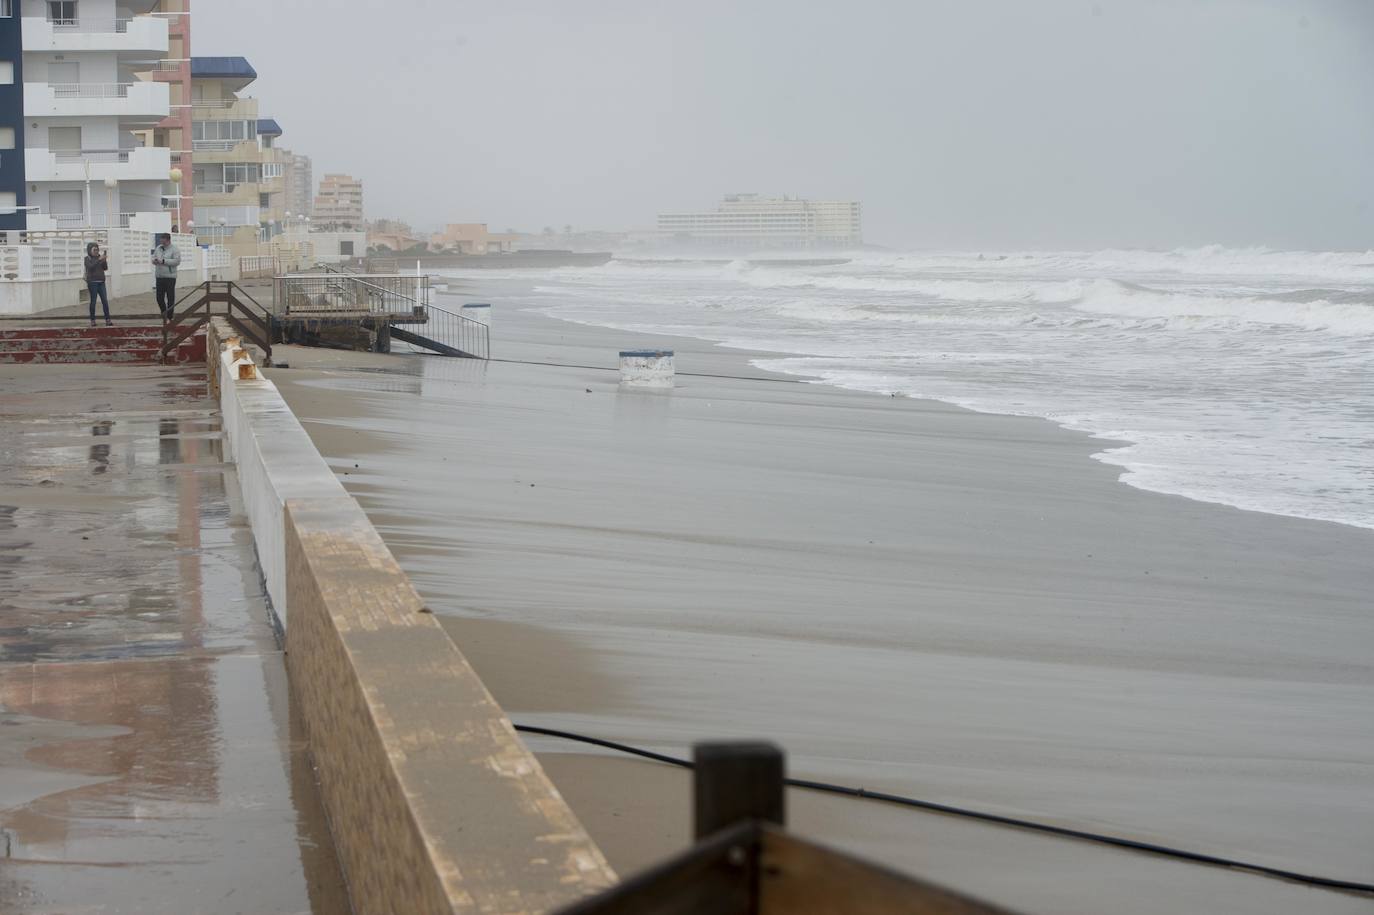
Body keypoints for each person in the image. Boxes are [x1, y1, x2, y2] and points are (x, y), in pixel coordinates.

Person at [152, 232, 181, 319]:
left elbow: (177, 261)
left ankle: (170, 316)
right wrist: (154, 261)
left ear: (168, 240)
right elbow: (153, 257)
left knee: (170, 298)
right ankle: (164, 313)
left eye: (163, 240)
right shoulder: (158, 248)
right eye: (161, 240)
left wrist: (164, 261)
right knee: (159, 298)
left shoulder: (174, 249)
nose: (162, 242)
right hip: (159, 276)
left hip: (170, 277)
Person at [84, 242, 111, 327]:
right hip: (92, 283)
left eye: (97, 249)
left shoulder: (99, 257)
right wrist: (98, 260)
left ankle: (108, 319)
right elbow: (90, 267)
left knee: (105, 301)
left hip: (101, 282)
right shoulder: (87, 258)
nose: (96, 251)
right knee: (93, 301)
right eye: (94, 250)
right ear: (90, 250)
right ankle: (92, 320)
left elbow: (105, 268)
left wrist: (104, 260)